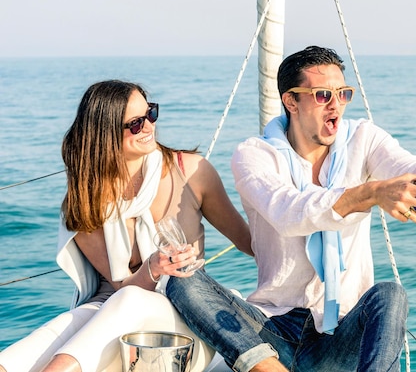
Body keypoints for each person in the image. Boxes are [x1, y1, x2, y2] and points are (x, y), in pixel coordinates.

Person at [167, 45, 416, 371]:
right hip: (272, 328)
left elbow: (415, 172)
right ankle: (264, 367)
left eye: (343, 94)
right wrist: (368, 193)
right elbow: (288, 212)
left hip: (343, 331)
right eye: (323, 95)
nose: (335, 105)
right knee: (180, 281)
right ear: (291, 101)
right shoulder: (254, 155)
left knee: (390, 295)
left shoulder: (363, 139)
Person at [0, 80, 252, 372]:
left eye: (151, 114)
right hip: (112, 308)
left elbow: (249, 242)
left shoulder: (191, 171)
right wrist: (153, 269)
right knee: (66, 325)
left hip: (187, 315)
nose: (148, 127)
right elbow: (119, 286)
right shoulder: (86, 196)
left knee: (127, 301)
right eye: (135, 123)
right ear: (104, 133)